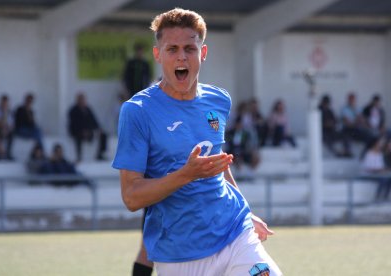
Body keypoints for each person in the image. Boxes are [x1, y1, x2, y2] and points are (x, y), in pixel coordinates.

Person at [112, 8, 281, 276]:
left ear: (202, 53)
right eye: (172, 49)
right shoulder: (137, 111)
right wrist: (185, 175)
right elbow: (131, 197)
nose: (181, 56)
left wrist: (246, 211)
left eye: (190, 48)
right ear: (158, 55)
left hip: (234, 233)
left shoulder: (219, 100)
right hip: (179, 254)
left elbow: (218, 162)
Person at [68, 92, 108, 162]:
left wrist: (98, 129)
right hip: (78, 131)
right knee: (78, 138)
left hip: (89, 131)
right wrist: (82, 131)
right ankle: (79, 156)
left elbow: (94, 121)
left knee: (103, 135)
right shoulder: (73, 110)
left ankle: (100, 154)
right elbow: (74, 124)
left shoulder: (88, 109)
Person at [0, 94, 14, 159]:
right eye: (3, 102)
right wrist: (4, 114)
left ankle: (8, 153)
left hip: (5, 130)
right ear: (1, 102)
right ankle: (0, 153)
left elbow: (11, 124)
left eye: (6, 103)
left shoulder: (9, 111)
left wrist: (7, 129)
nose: (4, 104)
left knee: (11, 135)